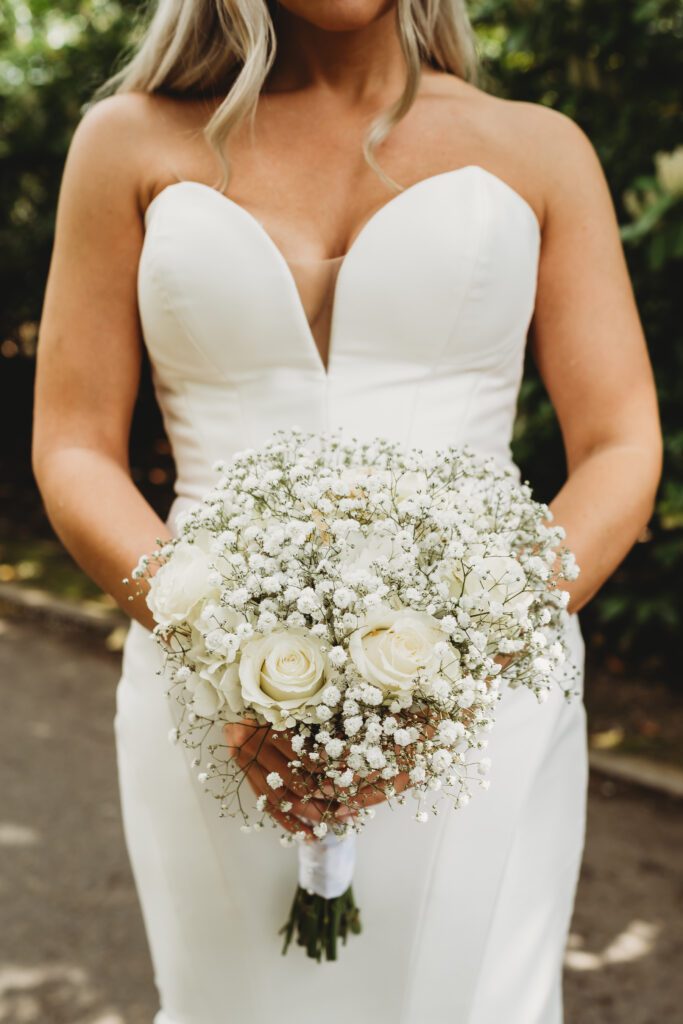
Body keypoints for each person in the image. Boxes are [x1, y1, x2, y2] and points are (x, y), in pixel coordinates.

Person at [32, 2, 662, 1021]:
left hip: (483, 704)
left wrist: (466, 654)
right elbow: (72, 446)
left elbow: (620, 443)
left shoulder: (539, 148)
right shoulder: (126, 143)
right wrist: (227, 652)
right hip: (206, 690)